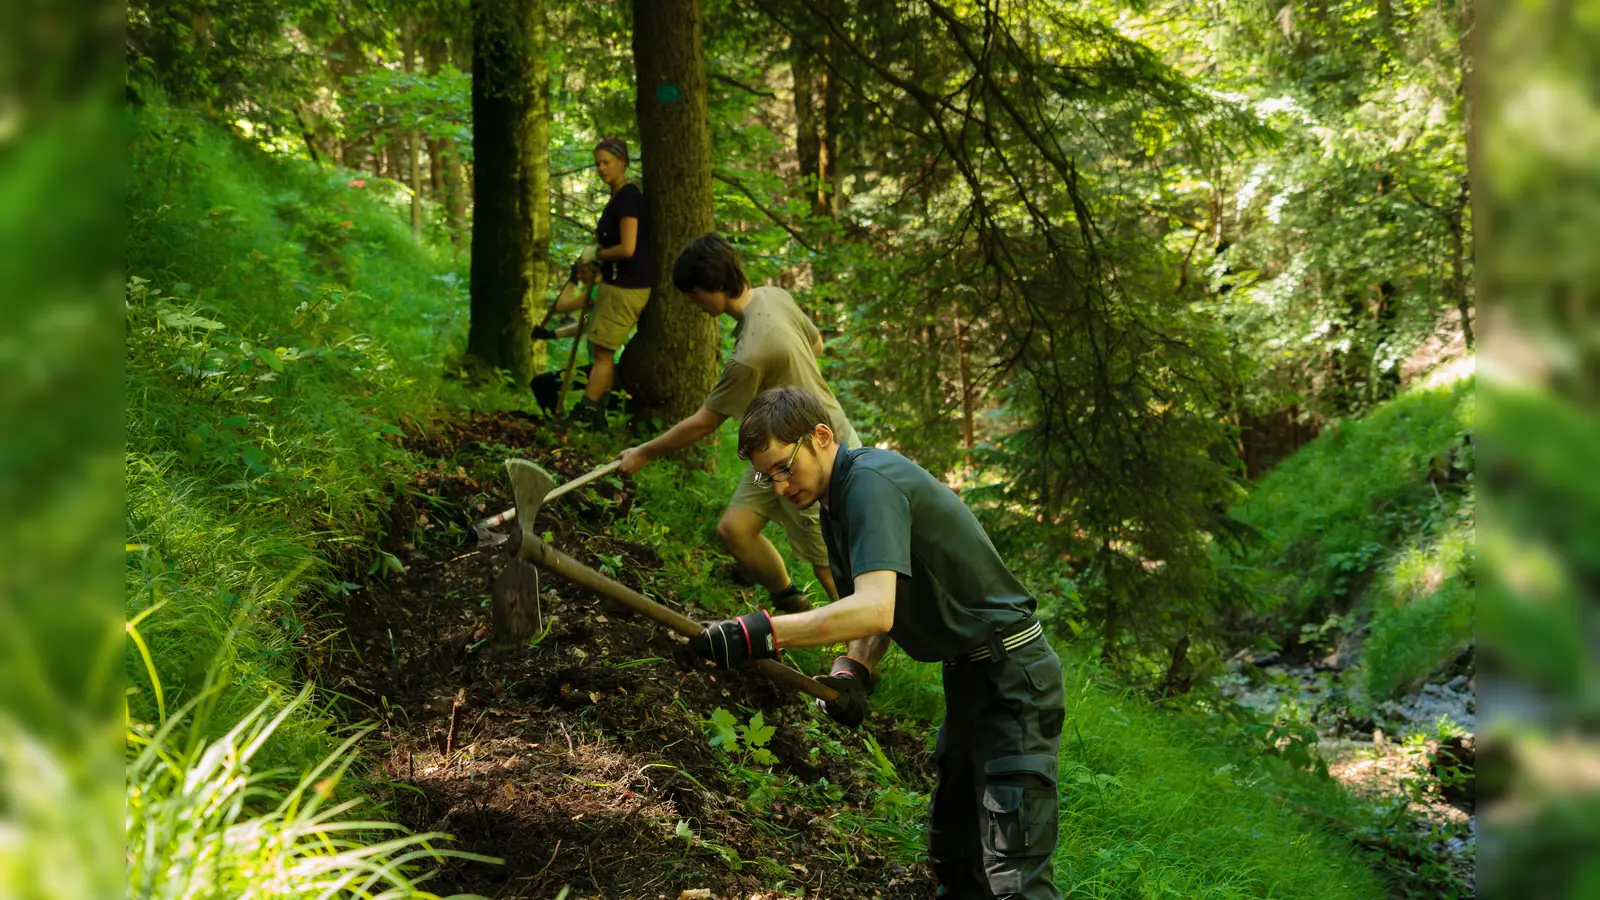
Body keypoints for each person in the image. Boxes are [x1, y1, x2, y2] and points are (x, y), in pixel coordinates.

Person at [689, 386, 1067, 900]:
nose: (778, 487)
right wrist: (853, 670)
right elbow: (872, 615)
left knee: (1012, 870)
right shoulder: (836, 503)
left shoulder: (870, 482)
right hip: (969, 679)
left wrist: (765, 632)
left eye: (784, 467)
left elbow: (874, 607)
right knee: (956, 855)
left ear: (822, 437)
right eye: (766, 476)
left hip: (1013, 677)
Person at [616, 233, 858, 612]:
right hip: (774, 452)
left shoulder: (748, 357)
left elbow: (702, 424)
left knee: (829, 564)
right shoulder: (774, 296)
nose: (692, 302)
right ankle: (790, 602)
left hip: (815, 454)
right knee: (736, 530)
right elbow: (817, 345)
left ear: (714, 286)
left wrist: (643, 453)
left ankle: (861, 650)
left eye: (693, 292)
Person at [533, 136, 651, 428]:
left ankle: (584, 415)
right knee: (600, 349)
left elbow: (627, 248)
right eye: (597, 163)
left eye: (606, 162)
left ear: (622, 162)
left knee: (602, 353)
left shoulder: (627, 197)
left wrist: (596, 253)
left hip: (626, 287)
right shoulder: (617, 198)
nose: (601, 168)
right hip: (615, 283)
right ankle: (596, 416)